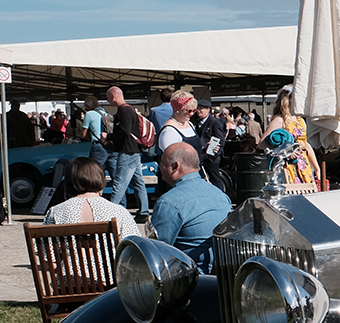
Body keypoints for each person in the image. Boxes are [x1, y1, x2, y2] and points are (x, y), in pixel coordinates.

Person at [151, 142, 231, 273]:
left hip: (190, 278)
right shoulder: (221, 195)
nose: (159, 167)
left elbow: (157, 253)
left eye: (162, 162)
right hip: (223, 274)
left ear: (175, 166)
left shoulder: (169, 202)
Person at [43, 157, 141, 238]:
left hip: (70, 257)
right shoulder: (119, 212)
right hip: (106, 257)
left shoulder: (55, 212)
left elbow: (45, 250)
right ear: (101, 180)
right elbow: (134, 247)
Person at [104, 86, 151, 219]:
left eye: (108, 98)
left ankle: (110, 214)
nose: (107, 101)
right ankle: (143, 211)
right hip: (134, 150)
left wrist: (108, 136)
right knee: (138, 182)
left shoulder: (123, 111)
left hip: (127, 151)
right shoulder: (130, 109)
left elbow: (124, 131)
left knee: (119, 183)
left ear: (113, 96)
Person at [265, 85, 321, 188]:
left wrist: (317, 168)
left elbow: (305, 145)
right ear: (288, 100)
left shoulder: (300, 120)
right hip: (287, 166)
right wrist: (285, 150)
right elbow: (262, 143)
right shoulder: (280, 120)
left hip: (304, 166)